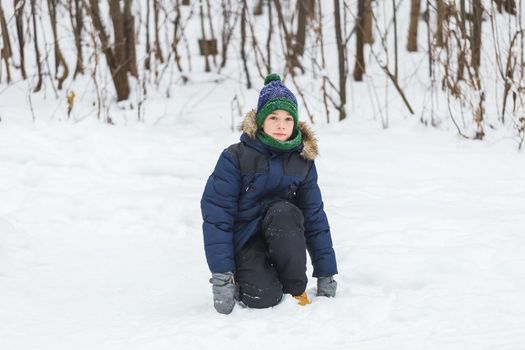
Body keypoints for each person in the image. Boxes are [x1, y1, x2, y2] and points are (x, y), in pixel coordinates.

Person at [201, 74, 338, 314]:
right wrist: (221, 277)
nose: (281, 125)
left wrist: (326, 272)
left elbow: (315, 217)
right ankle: (255, 278)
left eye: (287, 118)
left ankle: (295, 287)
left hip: (285, 237)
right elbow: (217, 217)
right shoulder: (235, 157)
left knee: (284, 211)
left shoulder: (303, 162)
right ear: (261, 120)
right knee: (263, 299)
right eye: (273, 117)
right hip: (245, 241)